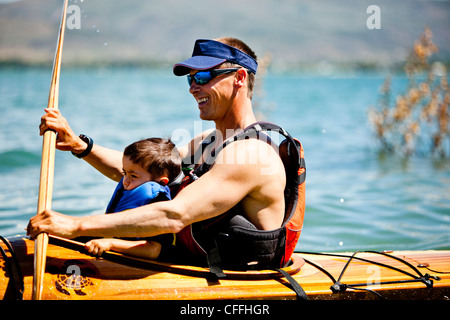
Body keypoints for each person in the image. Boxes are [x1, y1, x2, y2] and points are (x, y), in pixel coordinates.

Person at [28, 37, 305, 271]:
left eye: (205, 76)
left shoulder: (251, 154)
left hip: (237, 283)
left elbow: (175, 215)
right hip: (193, 266)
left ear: (240, 78)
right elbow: (144, 172)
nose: (193, 87)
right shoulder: (207, 142)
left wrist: (76, 225)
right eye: (191, 78)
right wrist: (80, 146)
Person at [84, 137, 181, 260]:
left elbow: (153, 250)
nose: (125, 181)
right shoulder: (131, 189)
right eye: (125, 173)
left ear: (161, 182)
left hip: (153, 266)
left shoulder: (159, 202)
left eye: (133, 175)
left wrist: (111, 244)